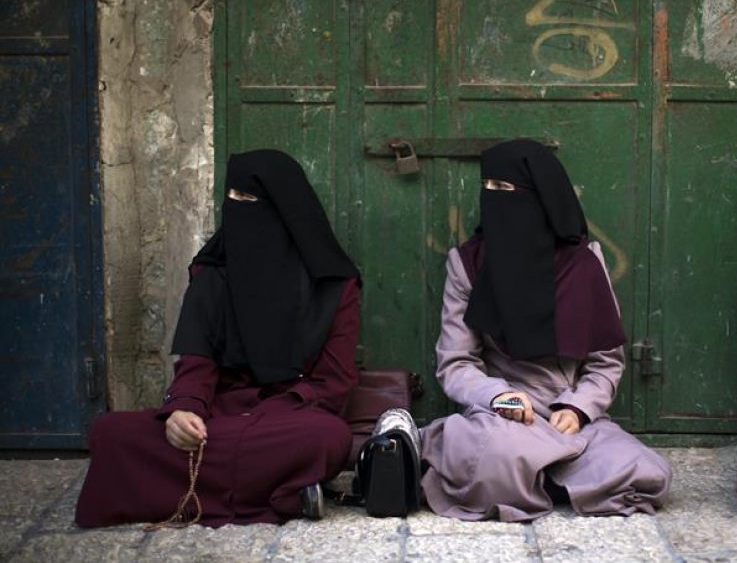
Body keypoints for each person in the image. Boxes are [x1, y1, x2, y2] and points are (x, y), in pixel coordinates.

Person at [75, 149, 362, 527]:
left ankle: (184, 493)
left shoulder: (334, 287)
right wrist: (184, 410)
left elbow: (333, 384)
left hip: (288, 416)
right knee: (109, 433)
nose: (237, 211)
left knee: (327, 438)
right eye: (231, 199)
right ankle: (281, 493)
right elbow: (197, 362)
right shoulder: (211, 273)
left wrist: (259, 418)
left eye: (249, 201)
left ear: (284, 207)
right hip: (217, 415)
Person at [419, 139, 672, 522]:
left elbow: (605, 362)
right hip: (504, 416)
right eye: (487, 188)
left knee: (647, 474)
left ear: (539, 196)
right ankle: (548, 476)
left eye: (504, 190)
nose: (492, 197)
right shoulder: (469, 264)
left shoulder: (584, 262)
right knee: (494, 455)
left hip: (565, 414)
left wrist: (579, 407)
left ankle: (539, 475)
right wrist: (498, 397)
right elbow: (455, 364)